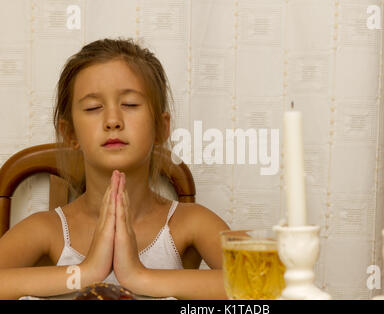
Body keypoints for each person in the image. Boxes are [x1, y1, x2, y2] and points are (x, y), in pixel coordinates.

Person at [0, 38, 230, 300]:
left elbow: (269, 283)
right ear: (69, 133)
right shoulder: (46, 229)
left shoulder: (190, 223)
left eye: (130, 105)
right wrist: (86, 272)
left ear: (161, 128)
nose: (112, 121)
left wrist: (139, 275)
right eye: (93, 108)